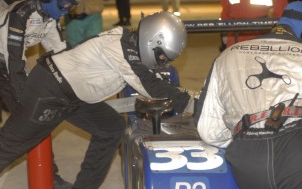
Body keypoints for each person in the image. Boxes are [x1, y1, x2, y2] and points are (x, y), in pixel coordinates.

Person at [0, 11, 193, 188]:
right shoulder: (121, 49)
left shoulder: (129, 46)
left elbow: (156, 82)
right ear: (152, 40)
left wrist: (188, 95)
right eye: (161, 56)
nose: (162, 62)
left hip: (74, 95)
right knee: (10, 144)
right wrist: (193, 104)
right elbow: (152, 86)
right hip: (50, 88)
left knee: (111, 128)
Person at [196, 1, 302, 188]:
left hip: (247, 155)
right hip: (299, 151)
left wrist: (244, 136)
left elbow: (208, 130)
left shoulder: (226, 55)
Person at [0, 0, 78, 188]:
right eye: (62, 4)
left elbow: (61, 54)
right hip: (5, 62)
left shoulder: (49, 19)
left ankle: (50, 176)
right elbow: (13, 64)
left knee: (37, 120)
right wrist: (27, 100)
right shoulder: (21, 14)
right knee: (30, 118)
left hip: (8, 63)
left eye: (68, 6)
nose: (64, 10)